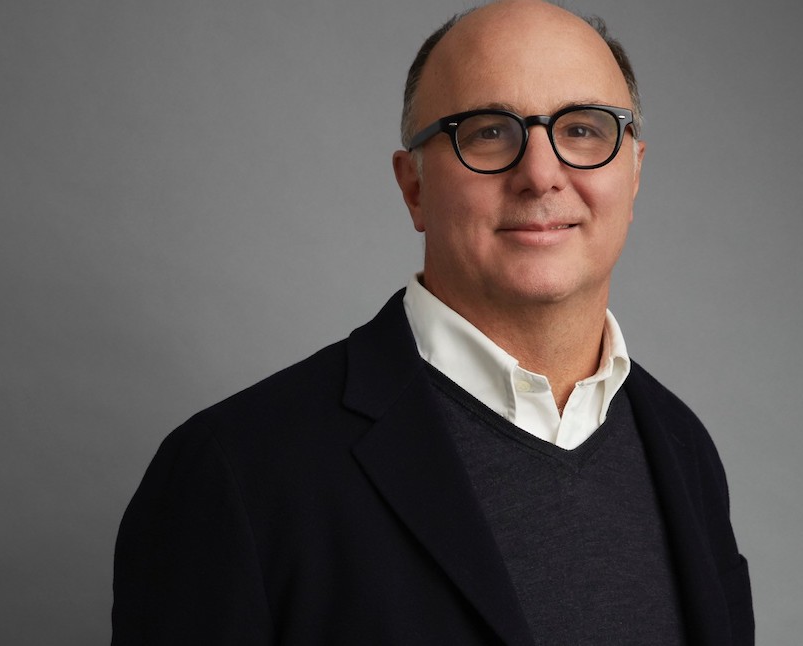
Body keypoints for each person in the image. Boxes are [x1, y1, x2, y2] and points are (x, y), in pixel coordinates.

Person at [111, 1, 753, 643]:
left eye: (583, 129)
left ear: (634, 174)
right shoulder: (236, 471)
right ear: (413, 187)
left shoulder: (683, 450)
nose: (540, 174)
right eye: (488, 131)